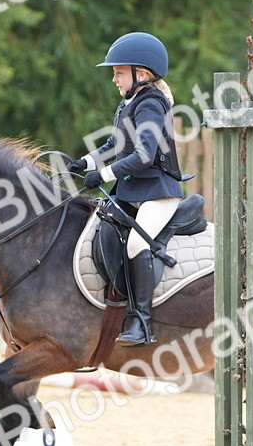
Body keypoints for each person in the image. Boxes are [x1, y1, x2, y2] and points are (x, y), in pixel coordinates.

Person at [67, 31, 185, 347]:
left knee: (136, 243)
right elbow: (113, 144)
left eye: (119, 72)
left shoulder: (151, 105)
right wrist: (85, 163)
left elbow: (144, 156)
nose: (114, 79)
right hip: (133, 191)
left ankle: (142, 322)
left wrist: (103, 174)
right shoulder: (129, 103)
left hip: (159, 192)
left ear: (140, 74)